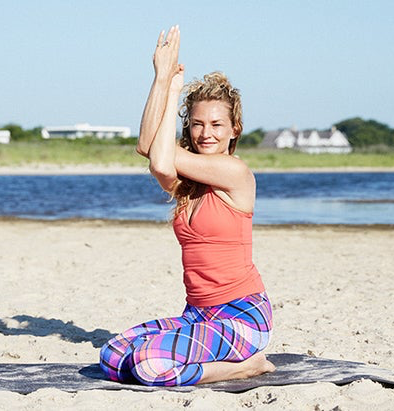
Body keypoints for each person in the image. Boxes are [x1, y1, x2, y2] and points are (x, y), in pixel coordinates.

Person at [99, 25, 275, 386]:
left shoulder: (235, 173)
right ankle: (227, 363)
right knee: (113, 356)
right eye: (196, 124)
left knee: (148, 364)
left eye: (216, 124)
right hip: (198, 316)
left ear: (234, 129)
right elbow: (148, 147)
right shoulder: (188, 186)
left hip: (242, 317)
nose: (205, 133)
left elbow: (160, 159)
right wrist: (162, 78)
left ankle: (247, 366)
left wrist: (174, 88)